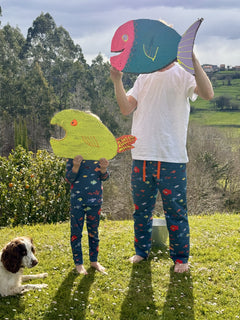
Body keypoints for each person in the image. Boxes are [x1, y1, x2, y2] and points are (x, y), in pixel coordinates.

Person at [110, 52, 214, 273]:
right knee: (141, 210)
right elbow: (126, 108)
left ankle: (180, 258)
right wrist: (117, 81)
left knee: (175, 211)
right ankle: (141, 251)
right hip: (141, 155)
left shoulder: (183, 73)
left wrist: (193, 59)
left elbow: (208, 94)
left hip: (171, 158)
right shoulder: (143, 76)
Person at [66, 155, 109, 275]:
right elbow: (68, 178)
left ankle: (94, 261)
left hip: (95, 202)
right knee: (76, 233)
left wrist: (104, 168)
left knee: (94, 232)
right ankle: (78, 263)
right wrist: (75, 166)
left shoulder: (98, 154)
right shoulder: (72, 156)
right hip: (77, 202)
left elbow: (105, 177)